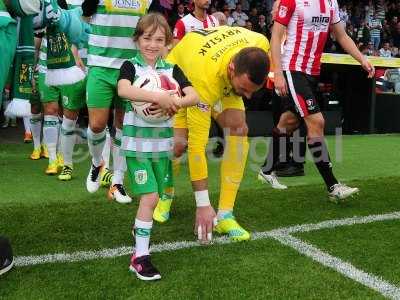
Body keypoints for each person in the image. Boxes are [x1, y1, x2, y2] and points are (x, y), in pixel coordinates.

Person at [258, 0, 374, 202]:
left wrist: (362, 59)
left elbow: (341, 35)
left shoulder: (331, 3)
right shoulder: (290, 1)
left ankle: (266, 170)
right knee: (317, 122)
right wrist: (277, 73)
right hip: (292, 70)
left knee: (289, 122)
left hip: (312, 73)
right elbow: (275, 37)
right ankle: (333, 186)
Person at [167, 26, 270, 242]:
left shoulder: (260, 42)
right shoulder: (203, 79)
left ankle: (225, 215)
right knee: (179, 145)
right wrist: (203, 205)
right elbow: (197, 147)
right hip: (183, 75)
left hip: (217, 74)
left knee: (239, 129)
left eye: (253, 90)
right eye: (244, 89)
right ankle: (165, 193)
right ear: (232, 68)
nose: (249, 97)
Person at [117, 13, 199, 281]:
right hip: (136, 146)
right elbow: (124, 90)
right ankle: (139, 258)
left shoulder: (171, 71)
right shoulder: (131, 66)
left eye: (159, 40)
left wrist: (175, 102)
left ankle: (139, 232)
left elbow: (194, 95)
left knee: (153, 200)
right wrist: (157, 96)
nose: (152, 44)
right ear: (137, 40)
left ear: (169, 44)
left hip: (161, 146)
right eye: (147, 38)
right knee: (150, 198)